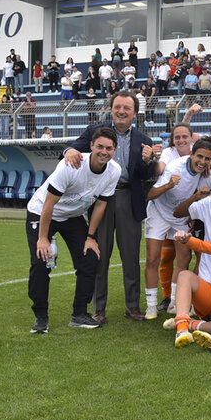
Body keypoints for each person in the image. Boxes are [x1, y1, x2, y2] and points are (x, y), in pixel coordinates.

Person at [65, 91, 160, 324]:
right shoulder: (94, 131)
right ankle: (98, 308)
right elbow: (74, 148)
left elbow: (146, 176)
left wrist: (150, 161)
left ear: (135, 113)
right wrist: (68, 151)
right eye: (118, 106)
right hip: (100, 200)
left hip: (129, 198)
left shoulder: (143, 139)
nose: (121, 111)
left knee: (130, 256)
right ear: (111, 108)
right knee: (100, 255)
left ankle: (132, 306)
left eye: (127, 108)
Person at [25, 127, 121, 333]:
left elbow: (101, 204)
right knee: (42, 262)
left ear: (115, 150)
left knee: (89, 258)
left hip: (72, 217)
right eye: (100, 147)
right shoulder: (71, 165)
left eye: (109, 148)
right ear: (91, 147)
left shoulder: (114, 171)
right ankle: (40, 317)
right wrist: (43, 238)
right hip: (42, 212)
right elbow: (48, 204)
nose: (104, 152)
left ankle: (79, 314)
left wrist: (90, 237)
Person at [142, 138, 211, 320]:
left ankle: (175, 303)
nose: (203, 162)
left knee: (184, 259)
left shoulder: (206, 170)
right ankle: (151, 306)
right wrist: (169, 185)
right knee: (152, 257)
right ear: (191, 154)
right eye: (199, 156)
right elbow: (150, 194)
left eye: (207, 158)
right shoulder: (175, 167)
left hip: (180, 215)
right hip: (159, 211)